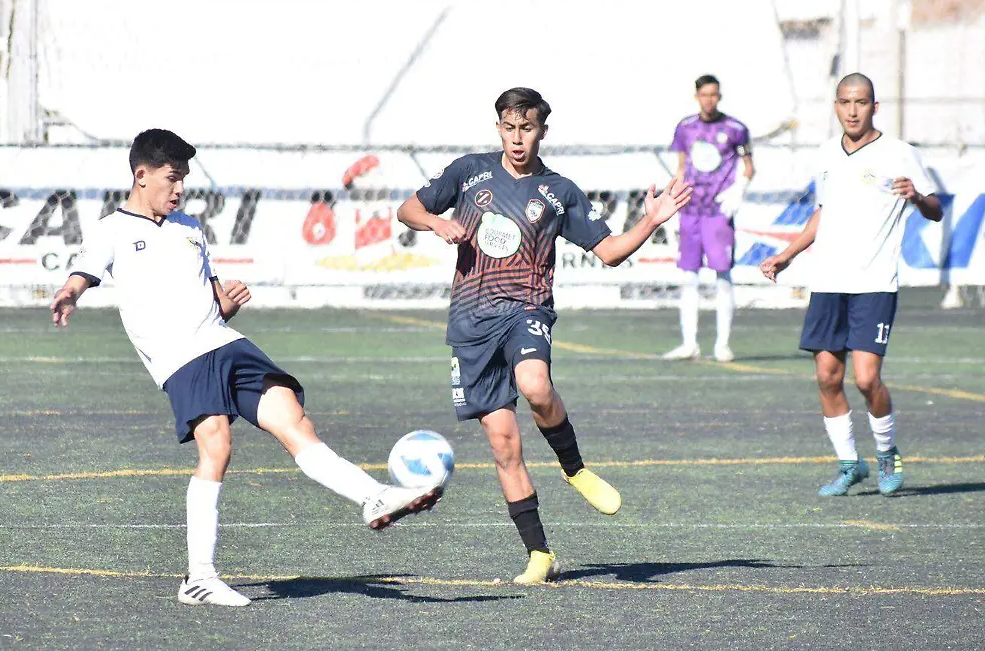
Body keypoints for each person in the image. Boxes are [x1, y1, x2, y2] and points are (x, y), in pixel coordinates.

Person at [50, 129, 443, 607]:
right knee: (216, 444)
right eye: (172, 179)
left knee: (293, 420)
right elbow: (80, 278)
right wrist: (68, 295)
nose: (179, 189)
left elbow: (207, 300)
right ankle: (198, 576)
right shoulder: (112, 231)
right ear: (141, 176)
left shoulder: (191, 228)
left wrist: (224, 306)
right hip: (181, 358)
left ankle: (372, 497)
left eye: (184, 180)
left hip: (225, 343)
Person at [396, 88, 692, 584]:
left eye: (527, 128)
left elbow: (612, 251)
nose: (518, 138)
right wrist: (436, 222)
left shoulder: (559, 192)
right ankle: (540, 554)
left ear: (542, 131)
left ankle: (574, 468)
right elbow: (407, 209)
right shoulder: (468, 172)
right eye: (509, 128)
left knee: (535, 384)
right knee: (503, 444)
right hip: (471, 321)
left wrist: (651, 220)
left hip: (526, 309)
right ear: (498, 128)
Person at [760, 73, 943, 497]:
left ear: (874, 107)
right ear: (836, 106)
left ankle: (886, 453)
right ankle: (849, 464)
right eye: (845, 102)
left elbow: (935, 209)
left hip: (875, 283)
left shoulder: (900, 153)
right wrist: (787, 255)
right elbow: (824, 213)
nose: (853, 110)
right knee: (827, 376)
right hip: (828, 282)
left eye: (861, 102)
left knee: (865, 379)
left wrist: (917, 197)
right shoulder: (826, 155)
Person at [663, 75, 754, 363]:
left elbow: (749, 166)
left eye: (714, 95)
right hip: (691, 209)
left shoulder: (736, 128)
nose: (709, 100)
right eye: (704, 95)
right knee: (689, 275)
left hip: (718, 211)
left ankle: (722, 344)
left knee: (722, 274)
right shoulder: (686, 127)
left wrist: (739, 189)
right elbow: (680, 167)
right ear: (697, 96)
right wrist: (672, 200)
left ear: (719, 96)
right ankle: (689, 342)